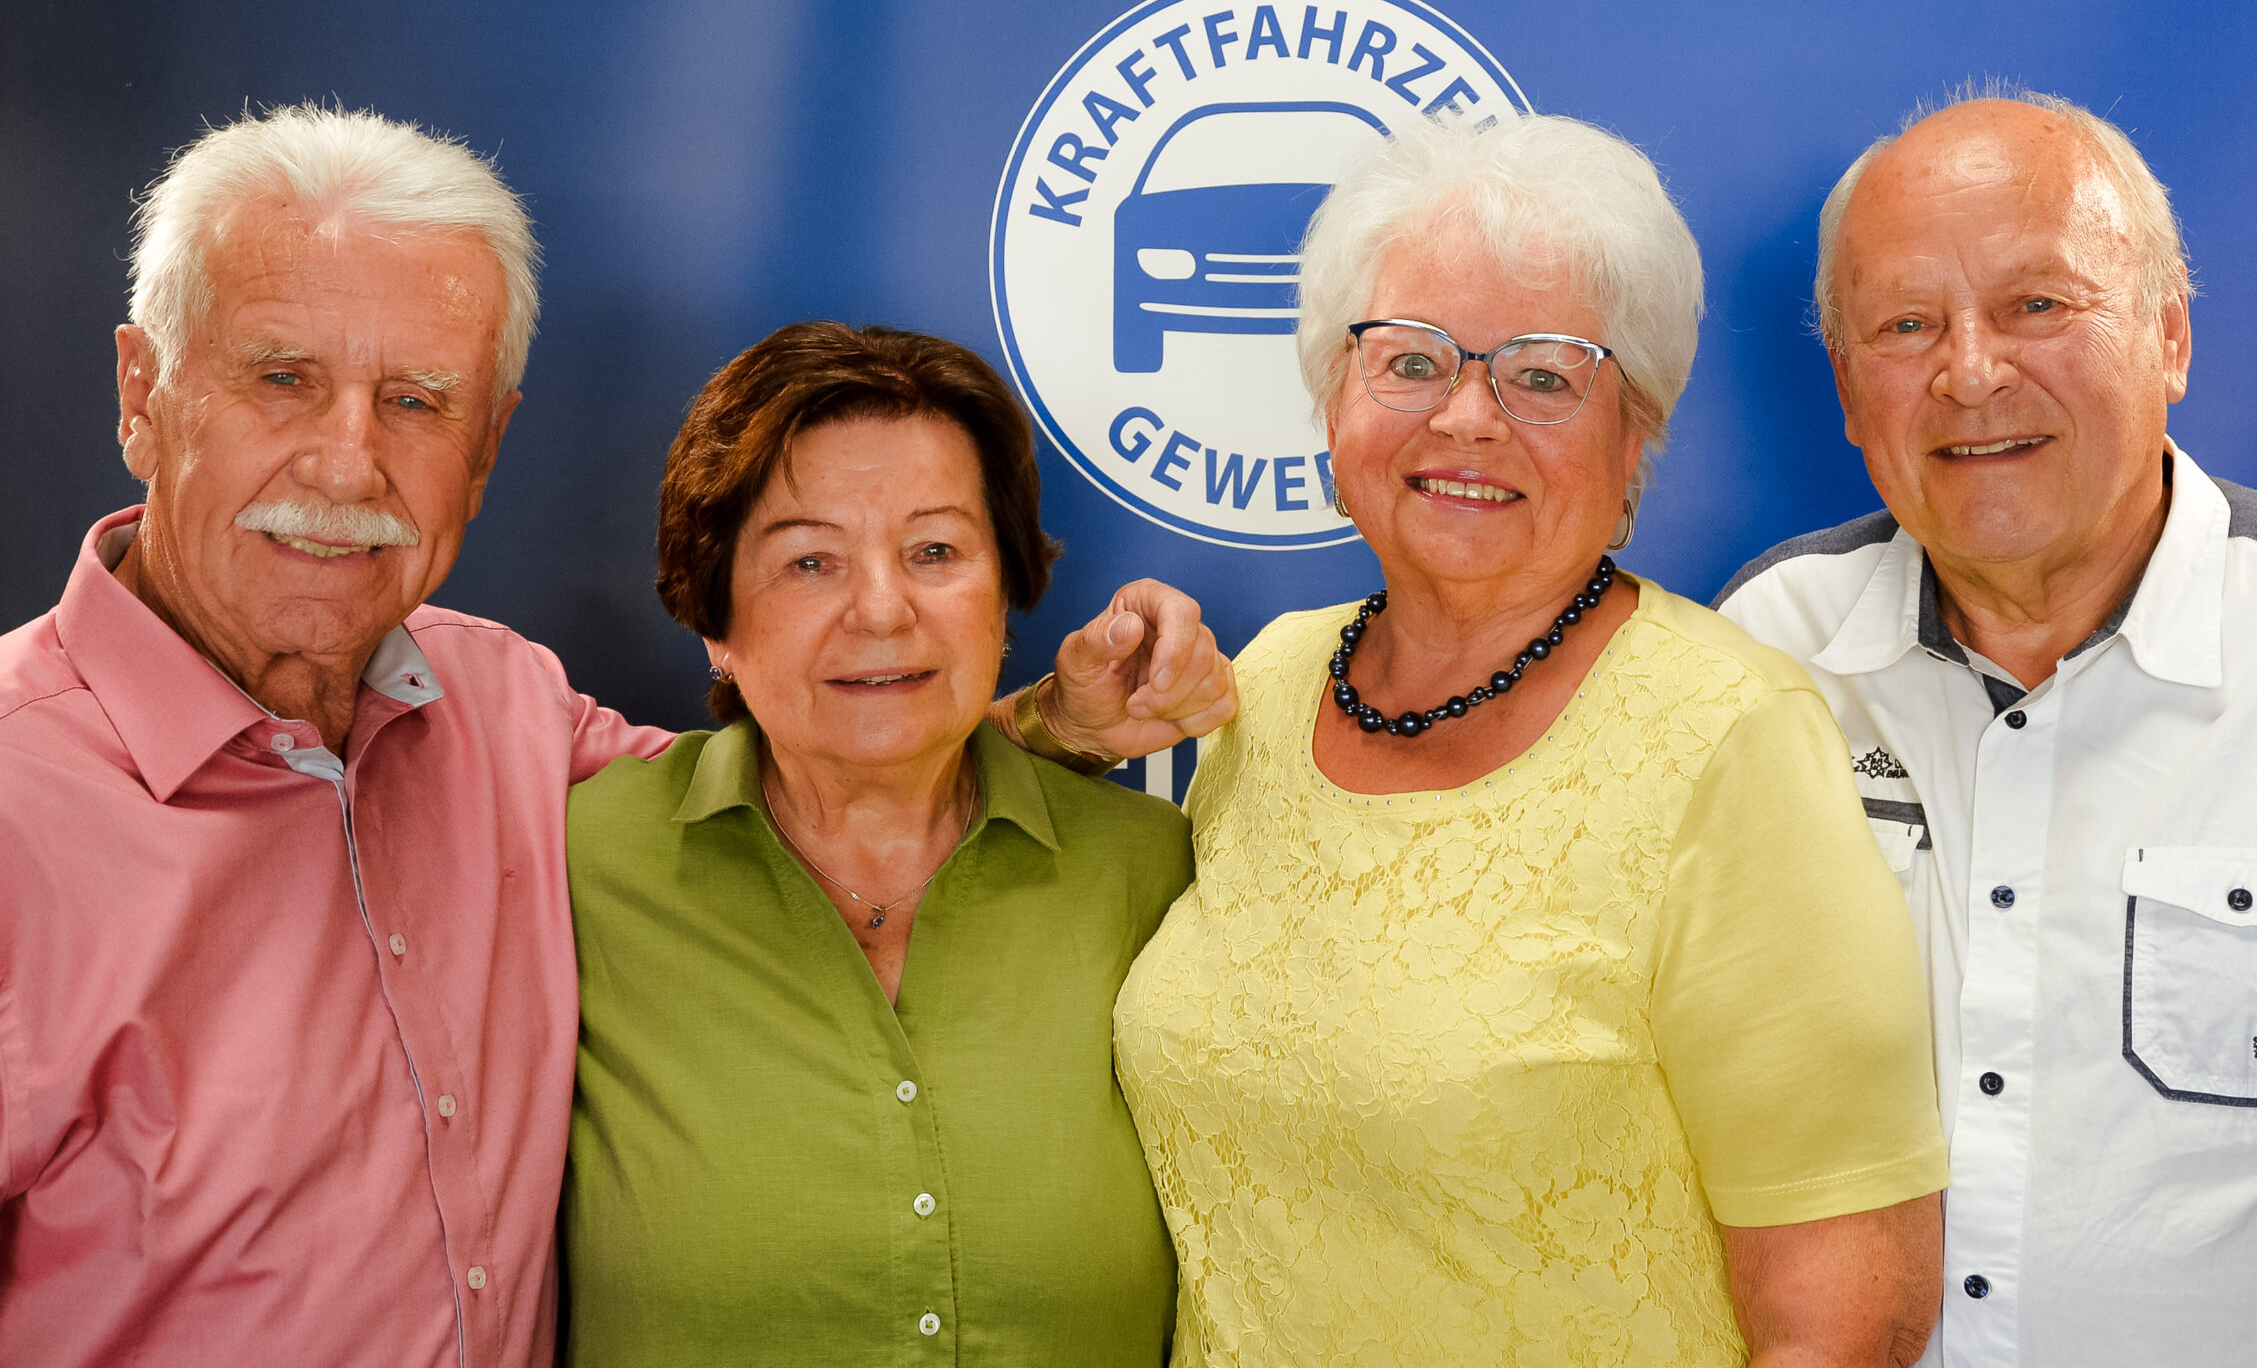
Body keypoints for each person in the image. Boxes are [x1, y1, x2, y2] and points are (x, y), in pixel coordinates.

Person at [0, 106, 1234, 1368]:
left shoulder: (508, 712)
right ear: (142, 395)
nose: (349, 461)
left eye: (418, 401)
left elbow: (825, 758)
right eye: (283, 379)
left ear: (485, 450)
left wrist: (1054, 721)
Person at [1713, 90, 2257, 1368]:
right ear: (1845, 386)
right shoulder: (1771, 644)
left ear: (2169, 335)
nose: (1969, 372)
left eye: (2035, 305)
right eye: (1905, 325)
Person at [1114, 113, 1949, 1368]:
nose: (1466, 417)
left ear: (1636, 435)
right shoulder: (1270, 681)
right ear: (1331, 397)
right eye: (1409, 361)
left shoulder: (1730, 736)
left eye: (1544, 376)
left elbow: (1849, 1321)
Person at [560, 322, 1192, 1365]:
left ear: (1005, 588)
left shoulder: (1153, 873)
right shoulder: (576, 867)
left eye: (935, 551)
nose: (883, 610)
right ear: (713, 616)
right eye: (810, 561)